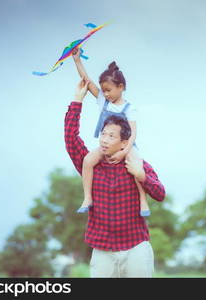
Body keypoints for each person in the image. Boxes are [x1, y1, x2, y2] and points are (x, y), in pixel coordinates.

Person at [64, 78, 166, 277]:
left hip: (136, 248)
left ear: (123, 143)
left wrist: (141, 175)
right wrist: (77, 100)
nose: (104, 139)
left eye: (111, 136)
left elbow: (160, 194)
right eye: (103, 134)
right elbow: (70, 138)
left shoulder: (136, 164)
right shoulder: (91, 166)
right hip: (102, 250)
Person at [71, 49, 150, 217]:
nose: (105, 94)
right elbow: (87, 82)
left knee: (137, 165)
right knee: (87, 161)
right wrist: (77, 61)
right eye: (103, 90)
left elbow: (133, 134)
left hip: (126, 145)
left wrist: (125, 152)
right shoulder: (104, 101)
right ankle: (87, 197)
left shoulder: (129, 108)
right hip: (107, 145)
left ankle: (142, 199)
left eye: (108, 90)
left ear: (121, 87)